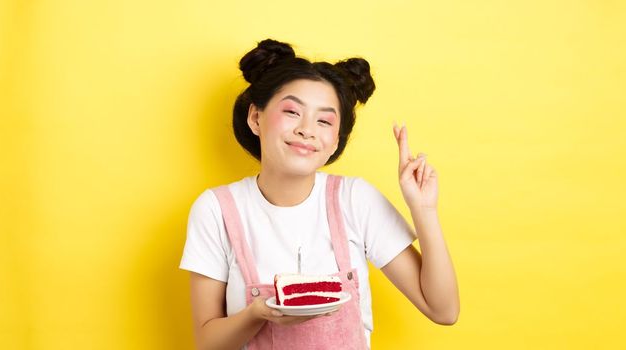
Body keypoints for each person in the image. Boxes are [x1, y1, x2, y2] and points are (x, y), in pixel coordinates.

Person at [179, 39, 459, 350]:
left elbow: (443, 310)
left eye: (324, 120)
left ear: (335, 140)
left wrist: (424, 209)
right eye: (292, 112)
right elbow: (207, 344)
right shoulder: (217, 209)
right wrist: (259, 313)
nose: (307, 129)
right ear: (255, 118)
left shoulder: (355, 200)